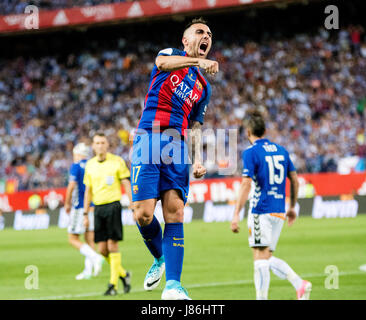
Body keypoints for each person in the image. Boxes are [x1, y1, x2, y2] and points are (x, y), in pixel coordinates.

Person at [131, 17, 218, 300]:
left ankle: (173, 286)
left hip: (177, 147)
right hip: (149, 137)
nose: (206, 37)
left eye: (209, 34)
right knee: (142, 214)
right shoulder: (171, 55)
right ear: (186, 40)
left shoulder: (203, 88)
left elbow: (195, 127)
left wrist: (196, 159)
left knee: (175, 212)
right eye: (200, 32)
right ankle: (160, 258)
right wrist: (196, 62)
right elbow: (162, 65)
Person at [231, 110, 312, 300]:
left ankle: (267, 296)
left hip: (260, 210)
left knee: (259, 260)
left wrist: (236, 213)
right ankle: (299, 284)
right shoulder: (282, 151)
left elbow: (246, 183)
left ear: (248, 132)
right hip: (279, 211)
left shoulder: (251, 152)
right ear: (265, 130)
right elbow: (295, 180)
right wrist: (292, 206)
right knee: (265, 257)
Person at [83, 132, 133, 296]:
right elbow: (88, 191)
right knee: (103, 250)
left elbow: (126, 182)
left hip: (113, 206)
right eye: (97, 143)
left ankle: (113, 285)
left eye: (102, 142)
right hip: (98, 209)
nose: (100, 146)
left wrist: (132, 204)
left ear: (107, 145)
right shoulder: (89, 165)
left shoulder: (117, 161)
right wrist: (85, 213)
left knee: (113, 246)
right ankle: (124, 275)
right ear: (93, 146)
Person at [64, 142, 104, 280]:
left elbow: (71, 185)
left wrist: (67, 203)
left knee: (73, 238)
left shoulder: (76, 166)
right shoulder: (93, 164)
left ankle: (96, 258)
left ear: (78, 153)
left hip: (80, 206)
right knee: (89, 239)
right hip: (93, 206)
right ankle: (89, 270)